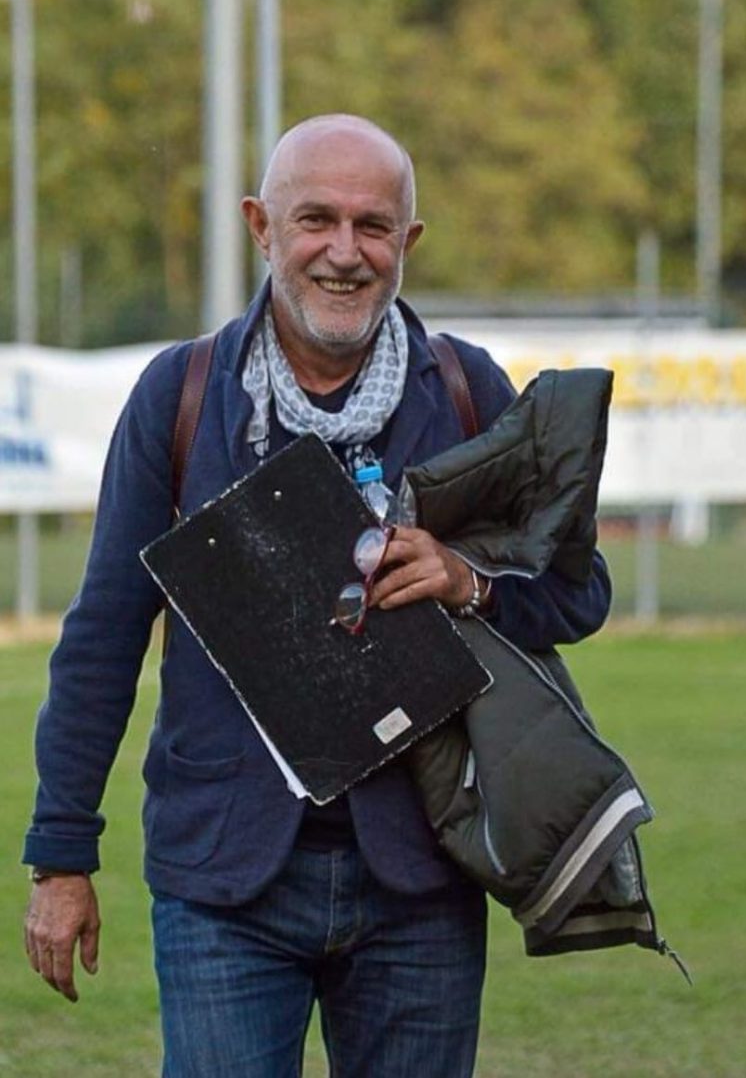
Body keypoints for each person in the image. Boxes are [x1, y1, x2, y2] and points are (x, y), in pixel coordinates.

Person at [23, 114, 611, 1077]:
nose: (345, 252)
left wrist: (467, 581)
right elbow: (103, 636)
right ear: (261, 226)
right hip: (224, 882)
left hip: (420, 878)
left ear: (408, 241)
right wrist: (60, 854)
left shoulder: (465, 391)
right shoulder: (182, 396)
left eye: (373, 226)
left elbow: (579, 592)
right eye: (316, 220)